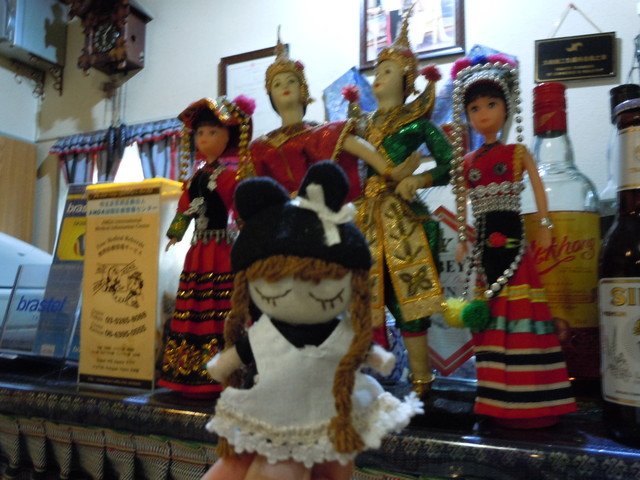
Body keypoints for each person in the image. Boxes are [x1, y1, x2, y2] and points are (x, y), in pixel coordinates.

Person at [203, 161, 422, 479]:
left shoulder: (339, 332)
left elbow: (364, 351)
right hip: (273, 411)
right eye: (276, 280)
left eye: (321, 281)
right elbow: (236, 356)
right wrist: (223, 366)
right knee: (278, 467)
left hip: (330, 412)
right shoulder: (264, 334)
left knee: (327, 466)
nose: (297, 290)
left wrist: (380, 358)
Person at [448, 54, 576, 428]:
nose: (483, 114)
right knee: (490, 316)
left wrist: (545, 223)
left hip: (515, 244)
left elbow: (537, 187)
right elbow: (462, 204)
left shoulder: (518, 154)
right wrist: (461, 238)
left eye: (491, 104)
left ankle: (533, 399)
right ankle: (496, 399)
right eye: (474, 108)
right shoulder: (468, 161)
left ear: (506, 108)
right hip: (483, 249)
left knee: (521, 312)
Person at [345, 7, 452, 397]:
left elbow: (451, 162)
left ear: (408, 80)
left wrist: (420, 178)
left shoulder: (418, 123)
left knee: (410, 301)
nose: (379, 77)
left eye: (388, 71)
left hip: (403, 217)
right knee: (360, 300)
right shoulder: (360, 125)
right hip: (364, 219)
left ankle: (421, 380)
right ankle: (362, 381)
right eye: (378, 70)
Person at [239, 31, 418, 201]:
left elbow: (359, 147)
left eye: (291, 81)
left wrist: (389, 171)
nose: (285, 86)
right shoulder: (260, 147)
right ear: (270, 95)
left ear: (302, 89)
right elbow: (250, 193)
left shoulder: (322, 132)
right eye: (277, 84)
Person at [157, 95, 255, 398]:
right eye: (200, 132)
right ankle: (189, 372)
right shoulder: (194, 180)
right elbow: (184, 209)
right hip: (199, 251)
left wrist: (247, 232)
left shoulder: (232, 178)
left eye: (213, 131)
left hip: (222, 250)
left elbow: (240, 210)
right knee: (194, 306)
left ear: (228, 137)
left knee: (222, 306)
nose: (204, 138)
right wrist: (175, 234)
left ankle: (228, 370)